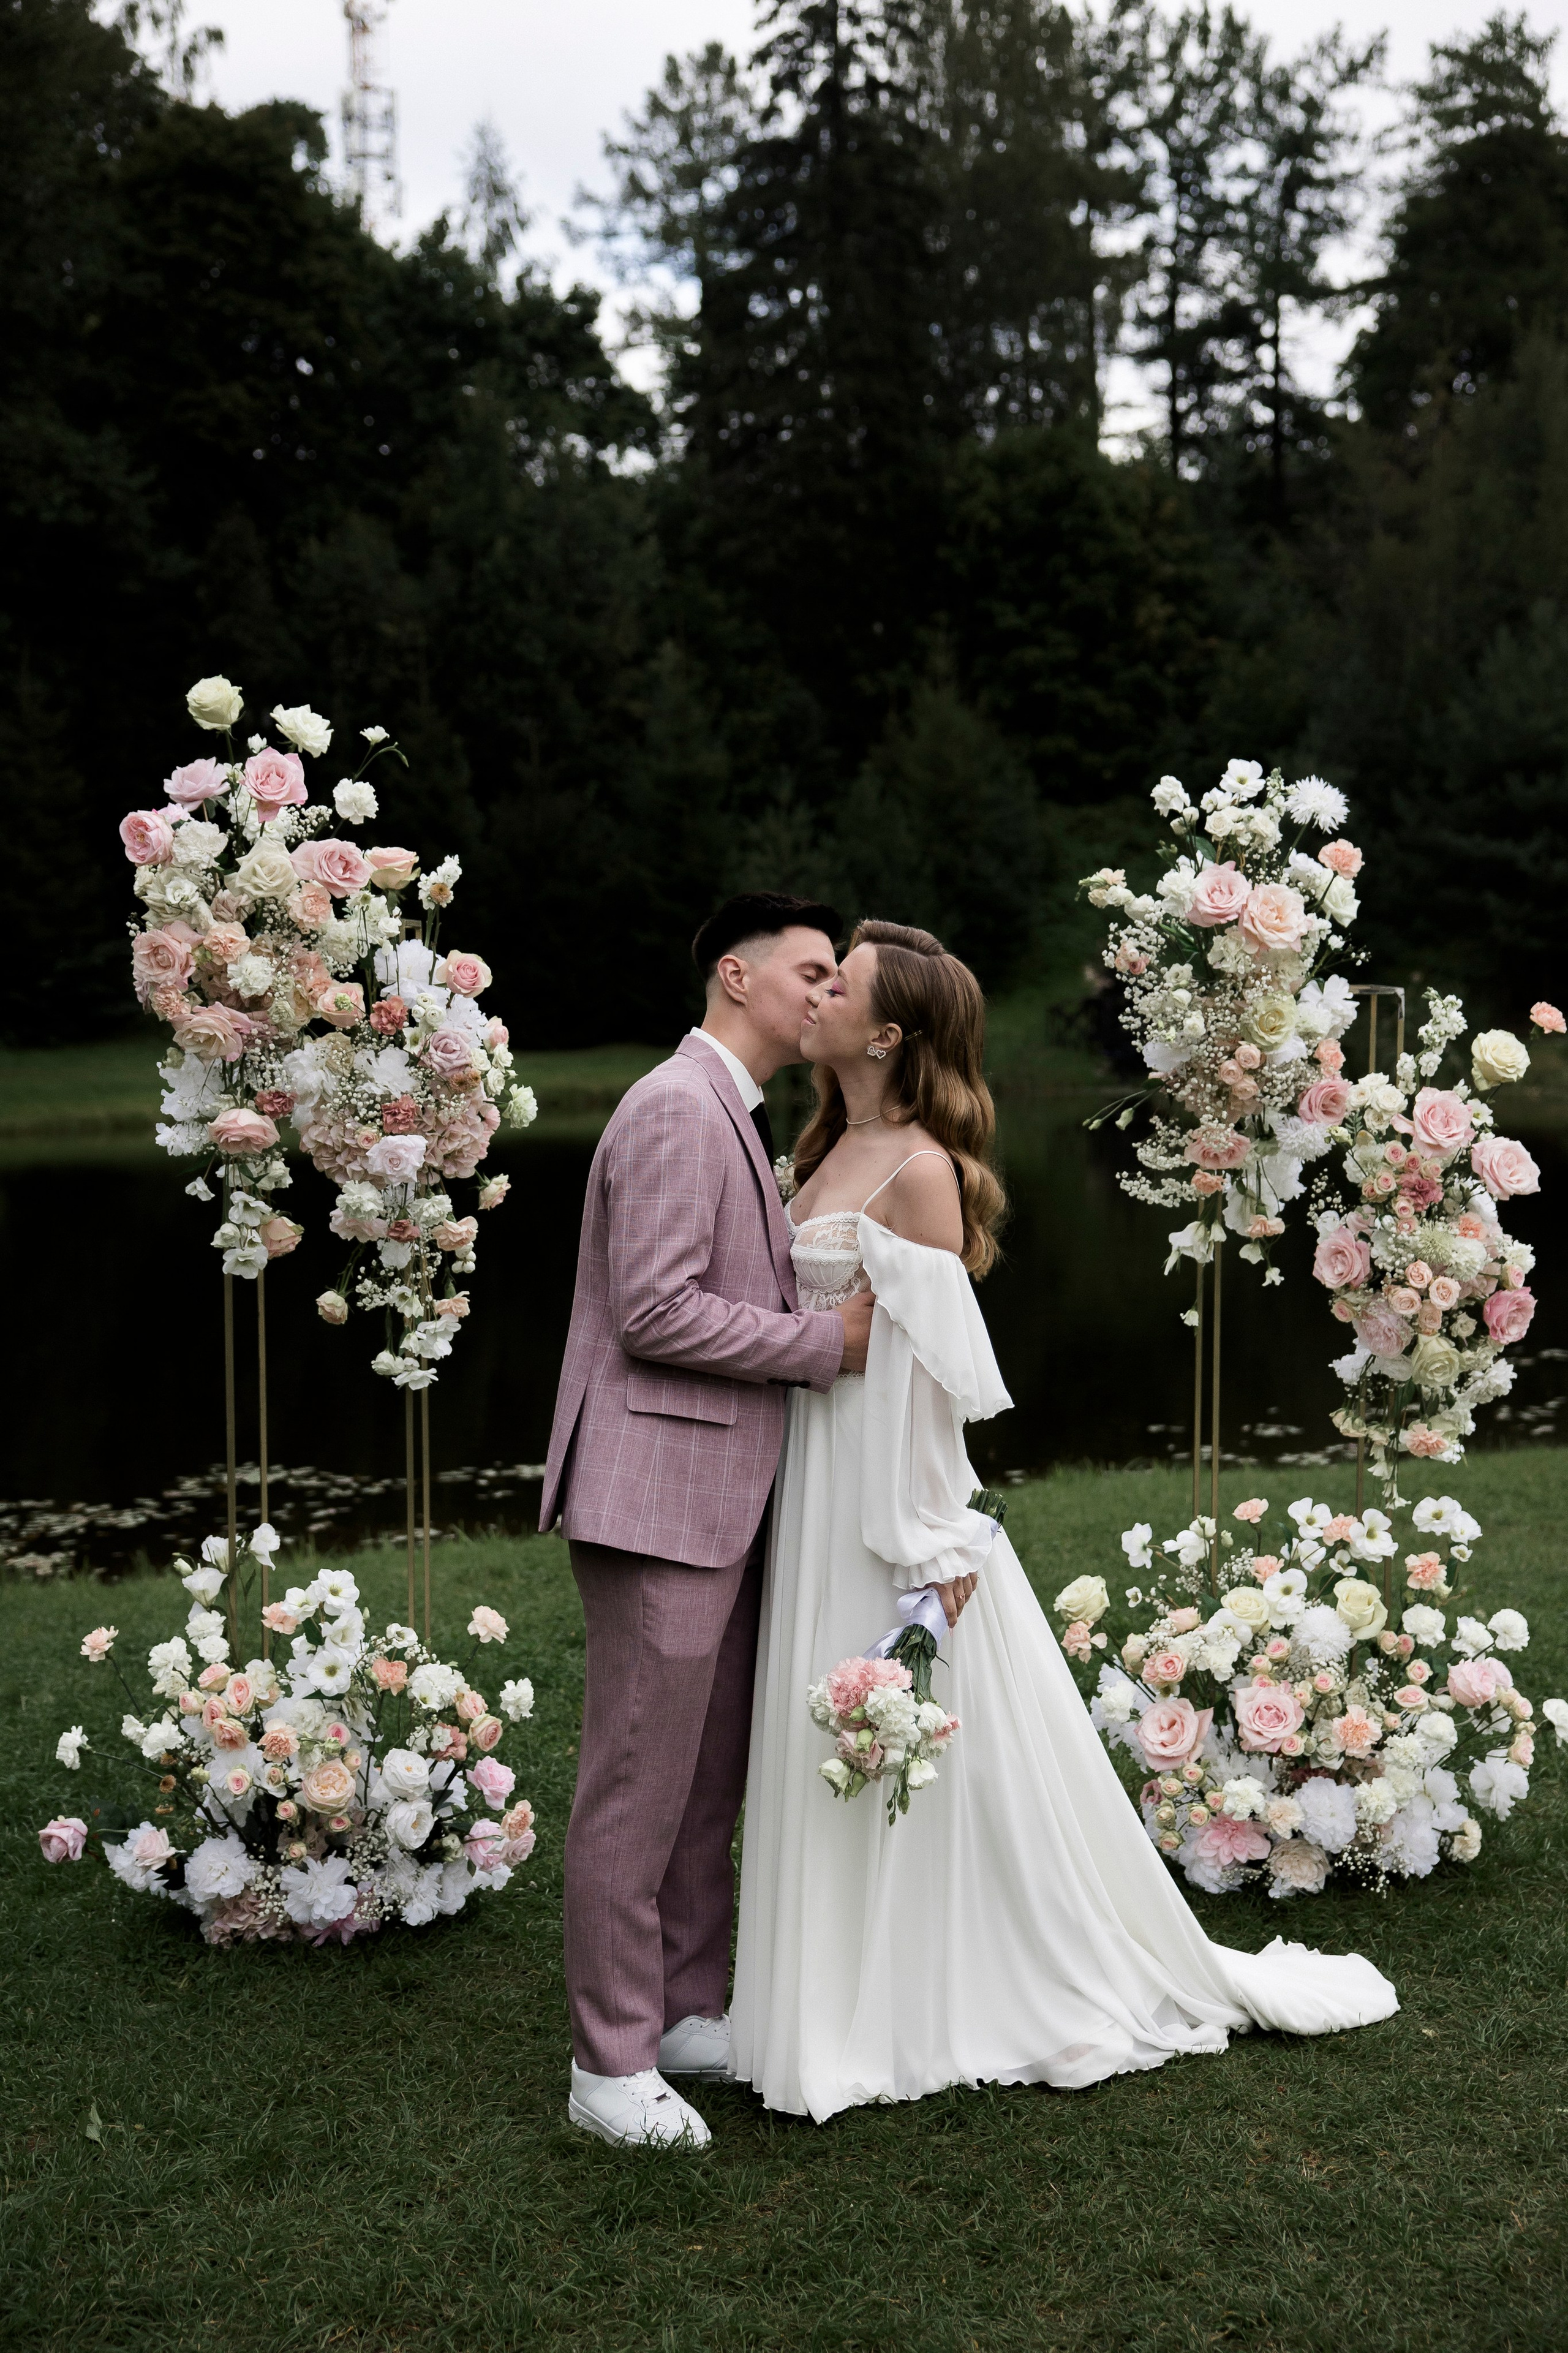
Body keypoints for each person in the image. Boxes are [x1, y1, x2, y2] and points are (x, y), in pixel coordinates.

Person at [728, 919, 1398, 2121]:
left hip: (883, 1509)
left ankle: (908, 1997)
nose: (816, 993)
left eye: (842, 985)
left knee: (892, 1737)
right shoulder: (821, 1140)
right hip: (810, 1481)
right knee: (821, 1734)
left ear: (887, 1032)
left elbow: (931, 1392)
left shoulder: (916, 1169)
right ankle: (818, 1995)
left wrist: (934, 1555)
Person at [540, 892, 876, 2150]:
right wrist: (820, 1345)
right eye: (808, 970)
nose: (826, 990)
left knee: (700, 1783)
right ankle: (607, 2064)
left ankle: (684, 2011)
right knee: (635, 1786)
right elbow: (654, 1311)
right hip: (655, 1499)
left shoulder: (733, 1112)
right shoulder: (679, 1107)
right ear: (734, 976)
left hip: (718, 1499)